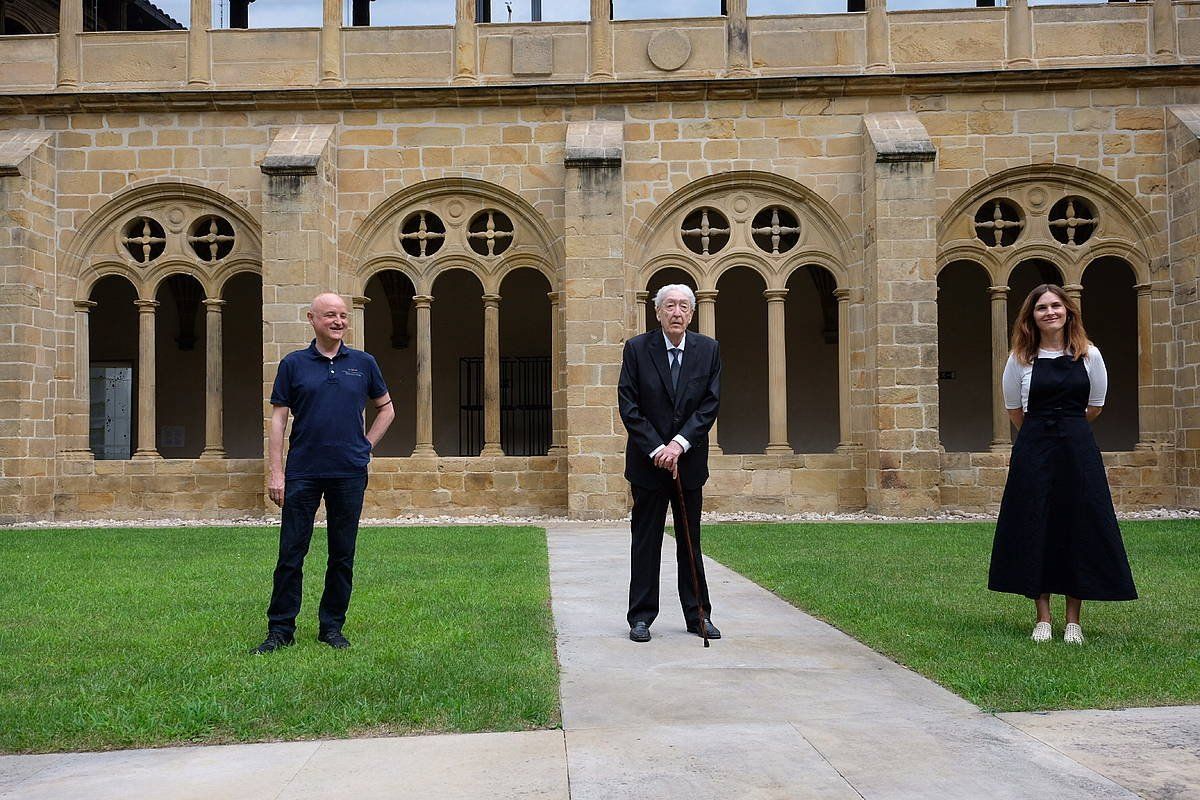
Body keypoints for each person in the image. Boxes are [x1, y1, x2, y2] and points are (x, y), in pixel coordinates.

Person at [989, 284, 1136, 644]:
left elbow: (1096, 405)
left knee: (1078, 525)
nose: (1050, 312)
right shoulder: (1019, 359)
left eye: (1056, 305)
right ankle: (1042, 617)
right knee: (1035, 522)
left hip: (1077, 450)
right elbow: (1014, 410)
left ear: (1068, 311)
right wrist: (1042, 435)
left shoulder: (1090, 355)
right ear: (1032, 317)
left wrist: (1067, 431)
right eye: (1042, 307)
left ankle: (1073, 620)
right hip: (1034, 451)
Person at [252, 292, 395, 654]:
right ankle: (280, 631)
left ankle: (332, 628)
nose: (339, 321)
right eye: (330, 315)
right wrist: (276, 472)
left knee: (342, 553)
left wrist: (365, 447)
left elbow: (386, 410)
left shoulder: (363, 363)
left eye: (343, 316)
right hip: (303, 471)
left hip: (348, 472)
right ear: (312, 318)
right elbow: (278, 419)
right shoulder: (294, 364)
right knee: (290, 554)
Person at [617, 284, 722, 643]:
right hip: (648, 466)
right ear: (657, 312)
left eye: (683, 307)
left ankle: (698, 616)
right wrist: (658, 449)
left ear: (691, 314)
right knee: (646, 541)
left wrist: (677, 446)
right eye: (669, 306)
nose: (676, 312)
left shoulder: (708, 350)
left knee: (689, 541)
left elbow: (709, 404)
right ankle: (641, 617)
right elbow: (629, 405)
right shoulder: (636, 349)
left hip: (688, 463)